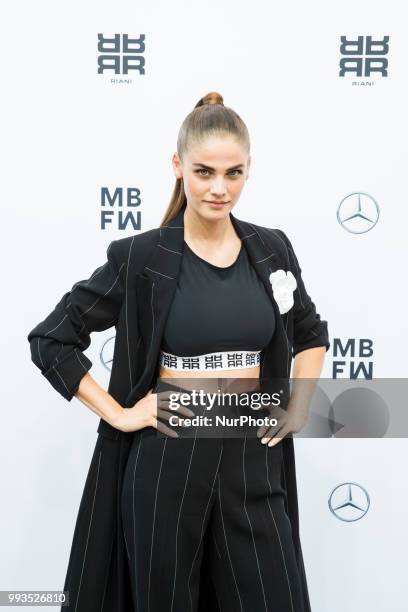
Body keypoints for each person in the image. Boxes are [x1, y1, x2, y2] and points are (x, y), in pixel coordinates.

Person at [27, 91, 330, 612]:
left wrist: (299, 405)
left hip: (253, 459)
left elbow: (310, 332)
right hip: (166, 462)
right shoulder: (143, 256)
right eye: (204, 171)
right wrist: (121, 414)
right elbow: (52, 337)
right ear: (177, 166)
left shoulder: (272, 248)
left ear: (249, 170)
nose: (219, 188)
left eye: (234, 173)